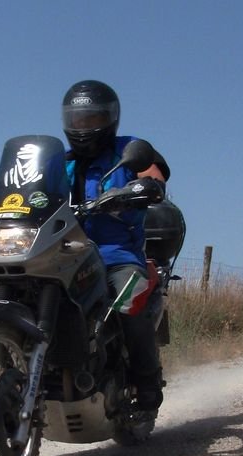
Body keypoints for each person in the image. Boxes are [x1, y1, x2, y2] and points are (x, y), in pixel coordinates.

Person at [62, 80, 169, 421]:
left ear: (110, 119)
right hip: (68, 254)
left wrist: (142, 187)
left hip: (117, 256)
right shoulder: (61, 163)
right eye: (77, 120)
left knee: (127, 302)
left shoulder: (129, 150)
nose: (84, 128)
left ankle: (147, 381)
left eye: (91, 119)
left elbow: (155, 174)